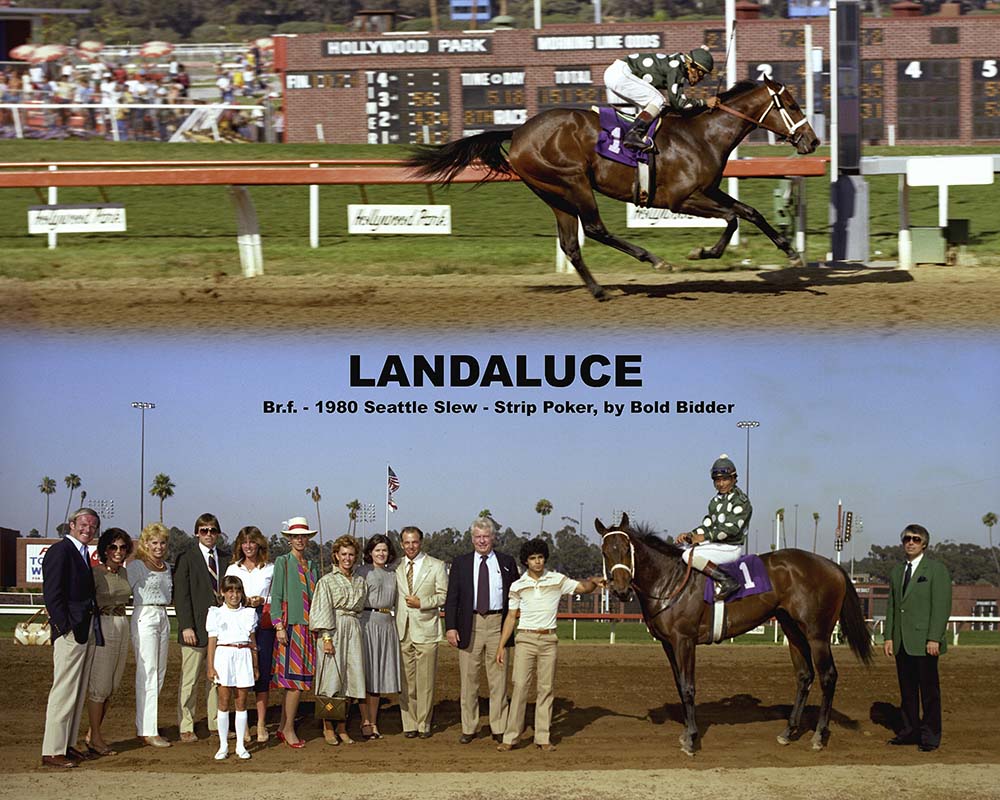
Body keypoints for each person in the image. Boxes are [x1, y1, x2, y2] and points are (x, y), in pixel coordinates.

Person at [495, 539, 604, 752]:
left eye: (540, 557)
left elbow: (583, 588)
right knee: (520, 688)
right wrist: (501, 645)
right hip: (525, 640)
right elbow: (510, 617)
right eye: (533, 558)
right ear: (526, 561)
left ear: (545, 558)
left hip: (548, 641)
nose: (537, 562)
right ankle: (511, 738)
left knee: (546, 689)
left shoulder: (558, 580)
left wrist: (594, 581)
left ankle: (542, 737)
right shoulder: (517, 585)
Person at [444, 516, 519, 744]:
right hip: (470, 625)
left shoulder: (507, 562)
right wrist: (450, 627)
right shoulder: (461, 563)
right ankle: (470, 727)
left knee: (498, 679)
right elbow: (452, 599)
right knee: (469, 680)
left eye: (486, 536)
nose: (482, 541)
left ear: (493, 538)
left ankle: (498, 727)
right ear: (472, 539)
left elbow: (516, 595)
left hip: (499, 625)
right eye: (478, 537)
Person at [40, 507, 104, 768]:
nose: (88, 529)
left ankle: (67, 744)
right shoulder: (60, 551)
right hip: (70, 631)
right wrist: (63, 626)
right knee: (64, 690)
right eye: (84, 524)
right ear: (71, 525)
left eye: (92, 526)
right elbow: (52, 594)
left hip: (84, 629)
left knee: (77, 692)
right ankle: (52, 749)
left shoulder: (82, 554)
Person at [884, 524, 952, 752]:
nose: (910, 542)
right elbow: (893, 607)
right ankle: (909, 731)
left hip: (925, 642)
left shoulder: (936, 570)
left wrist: (934, 637)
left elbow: (941, 606)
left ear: (924, 543)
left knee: (929, 692)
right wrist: (889, 637)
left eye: (915, 539)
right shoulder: (896, 572)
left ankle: (930, 737)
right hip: (902, 641)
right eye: (906, 539)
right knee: (907, 691)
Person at [603, 45, 719, 151]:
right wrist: (705, 102)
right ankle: (633, 135)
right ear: (692, 67)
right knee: (658, 101)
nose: (700, 78)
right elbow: (678, 103)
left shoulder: (677, 64)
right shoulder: (677, 67)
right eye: (701, 73)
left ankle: (638, 135)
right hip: (619, 74)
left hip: (616, 74)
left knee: (652, 106)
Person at [310, 535, 367, 745]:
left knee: (351, 679)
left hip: (353, 629)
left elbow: (360, 610)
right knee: (331, 679)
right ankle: (328, 727)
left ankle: (343, 727)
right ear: (336, 555)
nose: (347, 558)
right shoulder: (327, 581)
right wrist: (326, 638)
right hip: (332, 631)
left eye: (351, 554)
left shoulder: (361, 581)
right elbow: (322, 610)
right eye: (343, 554)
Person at [270, 516, 320, 748]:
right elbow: (277, 595)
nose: (300, 540)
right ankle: (289, 729)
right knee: (294, 683)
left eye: (303, 536)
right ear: (289, 539)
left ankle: (283, 726)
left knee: (297, 681)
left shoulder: (311, 566)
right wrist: (279, 625)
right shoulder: (283, 562)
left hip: (309, 629)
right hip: (291, 628)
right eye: (295, 536)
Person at [395, 525, 448, 739]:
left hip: (426, 629)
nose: (410, 546)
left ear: (421, 542)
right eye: (406, 542)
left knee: (425, 681)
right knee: (406, 681)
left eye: (414, 542)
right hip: (401, 630)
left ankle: (423, 723)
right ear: (401, 544)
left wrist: (422, 603)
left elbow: (443, 596)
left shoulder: (436, 565)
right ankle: (408, 722)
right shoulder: (395, 566)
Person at [174, 513, 223, 742]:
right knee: (190, 680)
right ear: (197, 533)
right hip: (194, 629)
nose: (209, 534)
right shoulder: (187, 558)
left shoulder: (225, 558)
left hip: (220, 631)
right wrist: (186, 626)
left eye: (213, 530)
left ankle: (215, 723)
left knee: (215, 679)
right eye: (204, 530)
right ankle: (186, 724)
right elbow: (181, 595)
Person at [85, 527, 134, 756]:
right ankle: (95, 737)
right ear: (105, 549)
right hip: (103, 626)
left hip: (122, 624)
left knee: (112, 686)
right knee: (100, 687)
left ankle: (92, 734)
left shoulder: (124, 574)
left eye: (123, 547)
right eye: (113, 547)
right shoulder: (96, 573)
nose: (118, 551)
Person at [676, 454, 751, 600]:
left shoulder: (741, 501)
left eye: (725, 479)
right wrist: (689, 535)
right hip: (716, 545)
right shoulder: (715, 501)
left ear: (734, 479)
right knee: (679, 552)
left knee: (687, 555)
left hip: (730, 547)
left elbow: (732, 529)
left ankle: (727, 581)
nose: (721, 484)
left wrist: (704, 537)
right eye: (717, 480)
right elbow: (708, 526)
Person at [225, 526, 275, 743]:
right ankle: (242, 724)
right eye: (244, 542)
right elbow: (226, 597)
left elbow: (276, 596)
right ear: (240, 545)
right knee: (240, 675)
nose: (248, 546)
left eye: (252, 542)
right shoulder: (233, 569)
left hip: (263, 622)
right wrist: (245, 601)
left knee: (261, 674)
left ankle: (262, 724)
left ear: (259, 544)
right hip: (239, 622)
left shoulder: (270, 568)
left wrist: (263, 601)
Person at [127, 522, 173, 747]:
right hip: (144, 614)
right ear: (145, 544)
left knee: (160, 673)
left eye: (162, 542)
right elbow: (124, 590)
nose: (159, 546)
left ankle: (147, 724)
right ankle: (147, 730)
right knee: (148, 672)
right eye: (154, 542)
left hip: (163, 615)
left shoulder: (167, 566)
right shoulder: (137, 566)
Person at [207, 575, 259, 761]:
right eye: (230, 591)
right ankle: (223, 745)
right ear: (223, 592)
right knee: (223, 701)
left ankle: (240, 745)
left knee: (241, 702)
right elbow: (212, 641)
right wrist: (211, 666)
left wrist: (255, 664)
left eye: (237, 591)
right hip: (224, 656)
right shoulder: (216, 613)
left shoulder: (249, 614)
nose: (234, 595)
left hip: (243, 655)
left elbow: (252, 642)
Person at [356, 534, 401, 739]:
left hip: (386, 625)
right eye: (377, 550)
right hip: (367, 623)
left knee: (377, 677)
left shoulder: (393, 574)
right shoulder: (363, 572)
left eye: (384, 550)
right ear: (370, 553)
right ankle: (365, 722)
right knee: (365, 676)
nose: (381, 554)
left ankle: (373, 722)